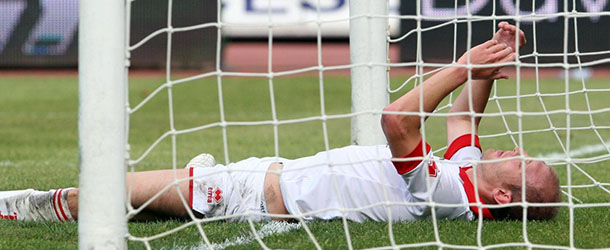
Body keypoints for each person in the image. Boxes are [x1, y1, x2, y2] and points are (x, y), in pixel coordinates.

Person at [0, 22, 560, 223]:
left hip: (249, 194)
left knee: (99, 196)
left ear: (506, 194)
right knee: (132, 194)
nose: (515, 148)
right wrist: (492, 59)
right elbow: (464, 113)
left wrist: (463, 66)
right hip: (270, 173)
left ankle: (15, 204)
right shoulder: (465, 173)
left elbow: (396, 120)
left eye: (524, 161)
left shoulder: (446, 196)